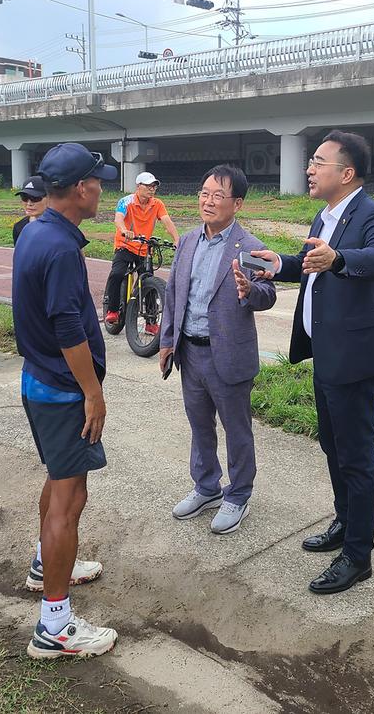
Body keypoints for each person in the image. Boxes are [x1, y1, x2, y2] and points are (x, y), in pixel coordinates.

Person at [252, 130, 374, 595]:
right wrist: (282, 263)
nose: (310, 168)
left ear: (347, 173)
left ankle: (358, 556)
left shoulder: (373, 213)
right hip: (327, 353)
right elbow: (312, 261)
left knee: (357, 457)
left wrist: (339, 259)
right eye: (311, 161)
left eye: (319, 161)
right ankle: (344, 522)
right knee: (333, 448)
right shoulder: (325, 214)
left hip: (355, 358)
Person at [12, 143, 122, 659]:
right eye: (98, 181)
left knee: (59, 483)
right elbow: (66, 327)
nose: (103, 188)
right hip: (62, 390)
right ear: (81, 189)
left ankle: (44, 564)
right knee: (68, 499)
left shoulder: (37, 231)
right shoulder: (58, 247)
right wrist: (92, 393)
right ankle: (54, 627)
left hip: (41, 381)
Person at [159, 165, 276, 534]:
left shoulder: (251, 247)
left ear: (237, 203)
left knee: (236, 428)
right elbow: (175, 293)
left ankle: (238, 494)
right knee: (199, 426)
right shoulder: (189, 240)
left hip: (228, 354)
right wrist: (166, 342)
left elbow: (268, 295)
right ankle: (206, 486)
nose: (207, 202)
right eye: (204, 193)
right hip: (189, 353)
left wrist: (250, 291)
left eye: (217, 196)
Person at [103, 172, 179, 326]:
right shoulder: (126, 201)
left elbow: (167, 221)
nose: (152, 189)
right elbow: (118, 218)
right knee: (117, 274)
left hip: (143, 248)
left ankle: (151, 322)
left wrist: (177, 240)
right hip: (125, 245)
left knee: (149, 281)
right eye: (148, 186)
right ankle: (112, 310)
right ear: (138, 187)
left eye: (154, 186)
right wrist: (124, 230)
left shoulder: (157, 204)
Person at [12, 174, 48, 244]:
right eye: (24, 197)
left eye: (35, 198)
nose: (29, 203)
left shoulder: (60, 228)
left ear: (50, 198)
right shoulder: (19, 227)